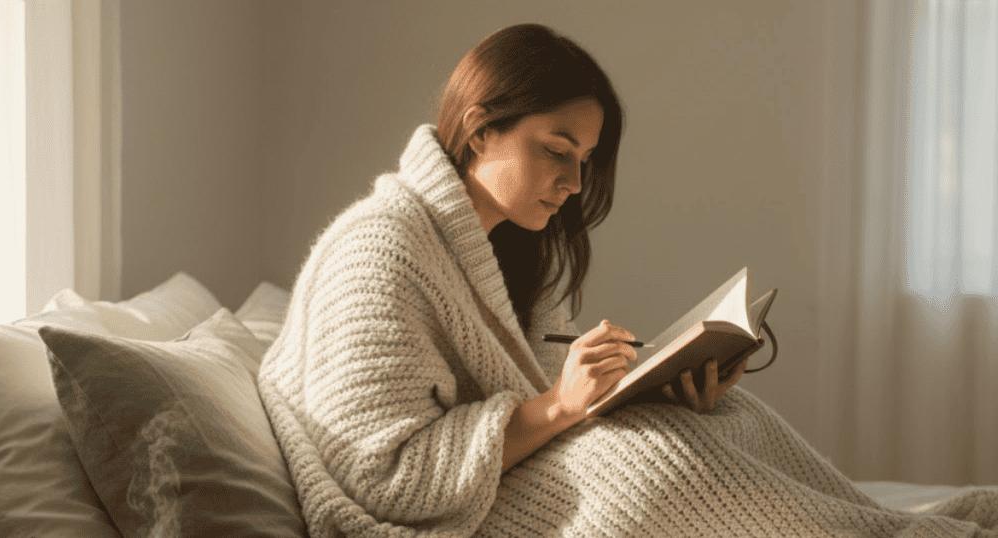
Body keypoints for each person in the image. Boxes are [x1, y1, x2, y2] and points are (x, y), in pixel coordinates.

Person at [257, 23, 998, 537]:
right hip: (444, 513)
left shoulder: (491, 248)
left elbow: (517, 390)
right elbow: (383, 478)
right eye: (558, 150)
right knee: (660, 469)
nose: (575, 183)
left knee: (725, 421)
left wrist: (647, 383)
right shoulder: (379, 253)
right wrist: (559, 407)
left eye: (584, 158)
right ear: (481, 129)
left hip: (501, 472)